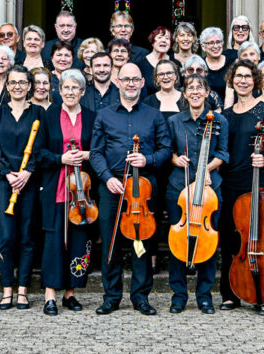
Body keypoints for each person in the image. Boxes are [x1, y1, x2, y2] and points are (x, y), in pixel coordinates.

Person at [90, 62, 172, 316]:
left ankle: (140, 297)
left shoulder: (153, 115)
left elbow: (166, 150)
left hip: (143, 187)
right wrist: (106, 178)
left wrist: (148, 160)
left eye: (135, 79)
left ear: (142, 82)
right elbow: (95, 152)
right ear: (118, 82)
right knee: (111, 244)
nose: (131, 84)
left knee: (142, 242)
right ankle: (111, 296)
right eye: (126, 79)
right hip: (112, 185)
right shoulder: (104, 115)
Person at [218, 59, 264, 315]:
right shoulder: (225, 115)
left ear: (254, 81)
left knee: (261, 235)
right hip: (231, 181)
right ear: (231, 80)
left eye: (247, 76)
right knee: (232, 239)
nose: (242, 81)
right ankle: (231, 293)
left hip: (258, 179)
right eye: (238, 76)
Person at [165, 73, 229, 315]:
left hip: (210, 191)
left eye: (199, 88)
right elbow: (166, 151)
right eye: (190, 88)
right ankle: (178, 296)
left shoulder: (220, 120)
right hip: (178, 190)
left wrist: (207, 168)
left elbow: (224, 153)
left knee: (208, 243)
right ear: (184, 93)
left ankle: (204, 296)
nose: (194, 92)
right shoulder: (174, 121)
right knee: (176, 243)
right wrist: (174, 158)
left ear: (206, 92)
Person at [37, 69, 97, 315]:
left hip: (83, 191)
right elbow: (39, 153)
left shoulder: (93, 117)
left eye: (75, 88)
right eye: (66, 88)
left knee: (79, 241)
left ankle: (71, 293)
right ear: (59, 90)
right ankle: (50, 295)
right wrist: (61, 157)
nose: (70, 92)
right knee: (54, 242)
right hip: (57, 187)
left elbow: (101, 149)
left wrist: (88, 155)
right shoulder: (48, 115)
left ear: (82, 92)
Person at [0, 66, 43, 311]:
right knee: (7, 236)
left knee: (27, 236)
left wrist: (26, 172)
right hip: (3, 182)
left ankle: (22, 290)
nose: (18, 86)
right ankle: (6, 289)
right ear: (7, 86)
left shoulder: (39, 112)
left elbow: (40, 147)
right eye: (13, 83)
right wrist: (8, 174)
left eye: (23, 82)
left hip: (28, 182)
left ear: (30, 86)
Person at [142, 59, 188, 273]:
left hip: (182, 164)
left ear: (176, 75)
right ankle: (151, 257)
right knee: (153, 211)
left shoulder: (186, 99)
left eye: (170, 72)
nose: (166, 77)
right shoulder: (149, 101)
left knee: (183, 211)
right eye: (161, 74)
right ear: (156, 78)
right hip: (156, 165)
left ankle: (185, 255)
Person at [200, 27, 235, 105]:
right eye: (211, 43)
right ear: (203, 47)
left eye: (218, 42)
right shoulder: (200, 65)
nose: (215, 46)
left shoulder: (232, 61)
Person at [135, 26, 172, 95]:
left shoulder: (175, 63)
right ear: (152, 41)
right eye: (159, 37)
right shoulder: (140, 64)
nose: (163, 40)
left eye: (167, 38)